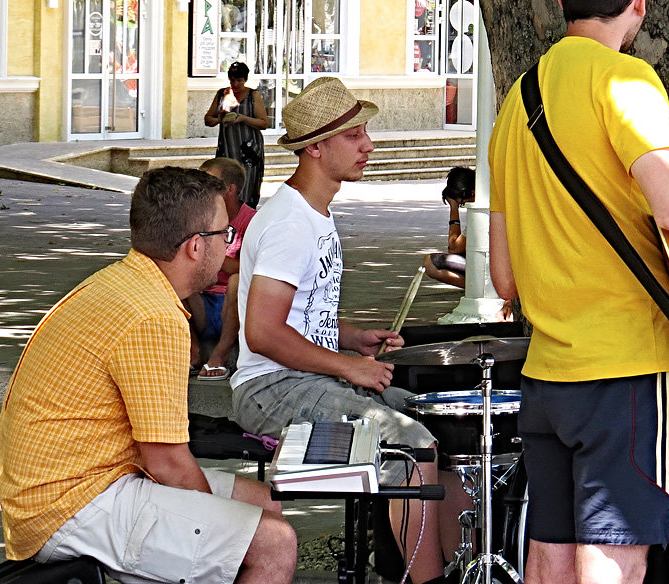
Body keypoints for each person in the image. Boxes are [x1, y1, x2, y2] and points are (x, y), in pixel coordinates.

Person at [488, 0, 669, 584]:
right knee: (615, 558)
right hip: (630, 371)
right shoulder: (626, 82)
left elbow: (503, 275)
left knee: (549, 552)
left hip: (547, 375)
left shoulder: (517, 103)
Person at [0, 167, 296, 583]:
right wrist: (218, 525)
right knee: (273, 542)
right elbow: (168, 462)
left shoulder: (129, 281)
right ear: (195, 247)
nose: (229, 246)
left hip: (83, 480)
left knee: (265, 503)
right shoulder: (153, 315)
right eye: (225, 234)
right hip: (68, 502)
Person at [229, 76, 452, 584]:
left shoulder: (313, 214)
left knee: (436, 424)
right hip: (271, 388)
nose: (368, 145)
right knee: (410, 447)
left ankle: (416, 563)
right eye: (354, 136)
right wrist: (347, 366)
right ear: (314, 148)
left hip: (300, 378)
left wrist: (350, 338)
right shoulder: (290, 223)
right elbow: (262, 334)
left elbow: (298, 317)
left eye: (365, 132)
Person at [185, 156, 257, 379]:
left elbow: (251, 269)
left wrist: (212, 258)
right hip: (201, 303)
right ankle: (193, 350)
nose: (202, 190)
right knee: (167, 277)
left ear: (230, 189)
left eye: (209, 183)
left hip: (232, 305)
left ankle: (220, 354)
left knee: (238, 279)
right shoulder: (199, 219)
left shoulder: (253, 221)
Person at [205, 61, 269, 207]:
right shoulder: (222, 94)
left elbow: (263, 123)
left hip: (249, 150)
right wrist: (219, 119)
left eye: (239, 80)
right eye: (232, 80)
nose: (235, 84)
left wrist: (243, 118)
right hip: (228, 147)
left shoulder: (253, 96)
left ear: (245, 80)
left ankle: (245, 218)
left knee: (248, 185)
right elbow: (208, 119)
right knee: (226, 183)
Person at [422, 166, 474, 288]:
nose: (464, 205)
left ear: (472, 193)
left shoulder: (481, 212)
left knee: (430, 263)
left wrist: (454, 208)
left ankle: (477, 290)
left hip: (493, 266)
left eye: (462, 202)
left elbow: (455, 247)